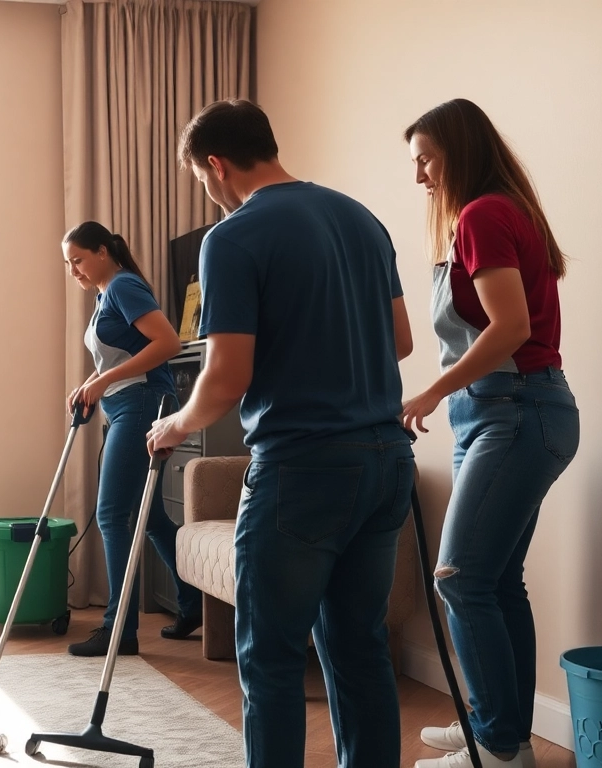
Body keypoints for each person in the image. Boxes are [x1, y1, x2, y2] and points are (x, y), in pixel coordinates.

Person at [147, 99, 415, 768]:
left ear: (216, 165)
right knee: (358, 650)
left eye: (202, 179)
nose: (208, 194)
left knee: (269, 657)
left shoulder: (233, 237)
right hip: (386, 462)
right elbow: (401, 342)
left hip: (303, 469)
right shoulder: (361, 218)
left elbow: (227, 376)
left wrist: (175, 424)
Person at [403, 99, 579, 768]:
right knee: (499, 582)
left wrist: (430, 391)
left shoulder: (482, 214)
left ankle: (501, 748)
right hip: (514, 414)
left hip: (515, 413)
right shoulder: (501, 212)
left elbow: (510, 330)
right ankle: (495, 724)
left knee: (460, 579)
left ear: (457, 151)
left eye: (426, 158)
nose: (419, 175)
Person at [62, 221, 203, 657]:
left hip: (142, 405)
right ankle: (192, 600)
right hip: (125, 406)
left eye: (78, 260)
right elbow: (120, 355)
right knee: (153, 517)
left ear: (103, 251)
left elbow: (166, 344)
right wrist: (90, 384)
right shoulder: (106, 294)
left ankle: (118, 630)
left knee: (111, 515)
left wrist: (103, 381)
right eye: (69, 264)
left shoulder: (123, 286)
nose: (74, 271)